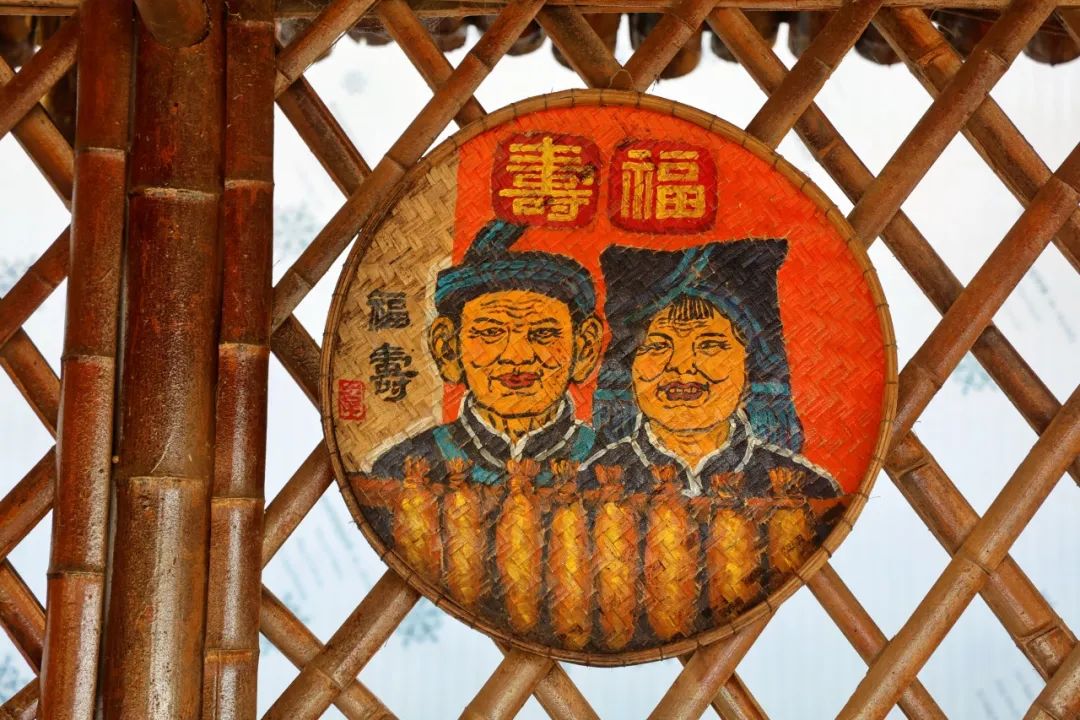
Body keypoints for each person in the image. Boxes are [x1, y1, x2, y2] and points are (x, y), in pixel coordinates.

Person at [584, 240, 840, 501]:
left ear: (752, 364)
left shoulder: (808, 490)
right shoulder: (584, 485)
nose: (682, 366)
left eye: (709, 345)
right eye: (659, 345)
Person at [364, 219, 603, 490]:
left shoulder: (607, 461)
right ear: (448, 347)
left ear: (585, 347)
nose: (517, 356)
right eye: (491, 333)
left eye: (543, 333)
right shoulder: (402, 468)